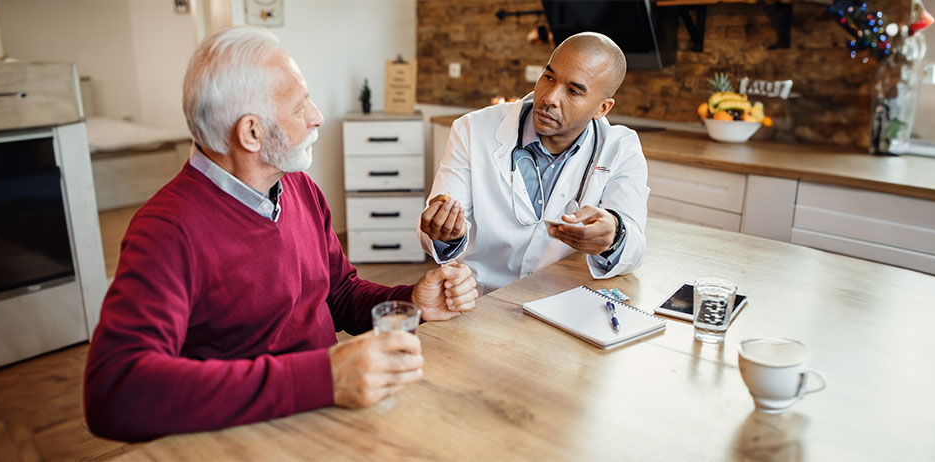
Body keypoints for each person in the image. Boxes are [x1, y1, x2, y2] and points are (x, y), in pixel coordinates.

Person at [83, 26, 479, 442]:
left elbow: (338, 294)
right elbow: (115, 392)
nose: (317, 116)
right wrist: (323, 378)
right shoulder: (166, 232)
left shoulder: (297, 186)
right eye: (299, 105)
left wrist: (407, 301)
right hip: (247, 439)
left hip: (328, 414)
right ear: (251, 133)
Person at [418, 32, 649, 291]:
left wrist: (613, 237)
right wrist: (444, 234)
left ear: (602, 108)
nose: (549, 97)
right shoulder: (472, 129)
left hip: (559, 303)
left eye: (573, 91)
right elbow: (435, 232)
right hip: (478, 296)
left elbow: (635, 248)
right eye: (549, 77)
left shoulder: (620, 149)